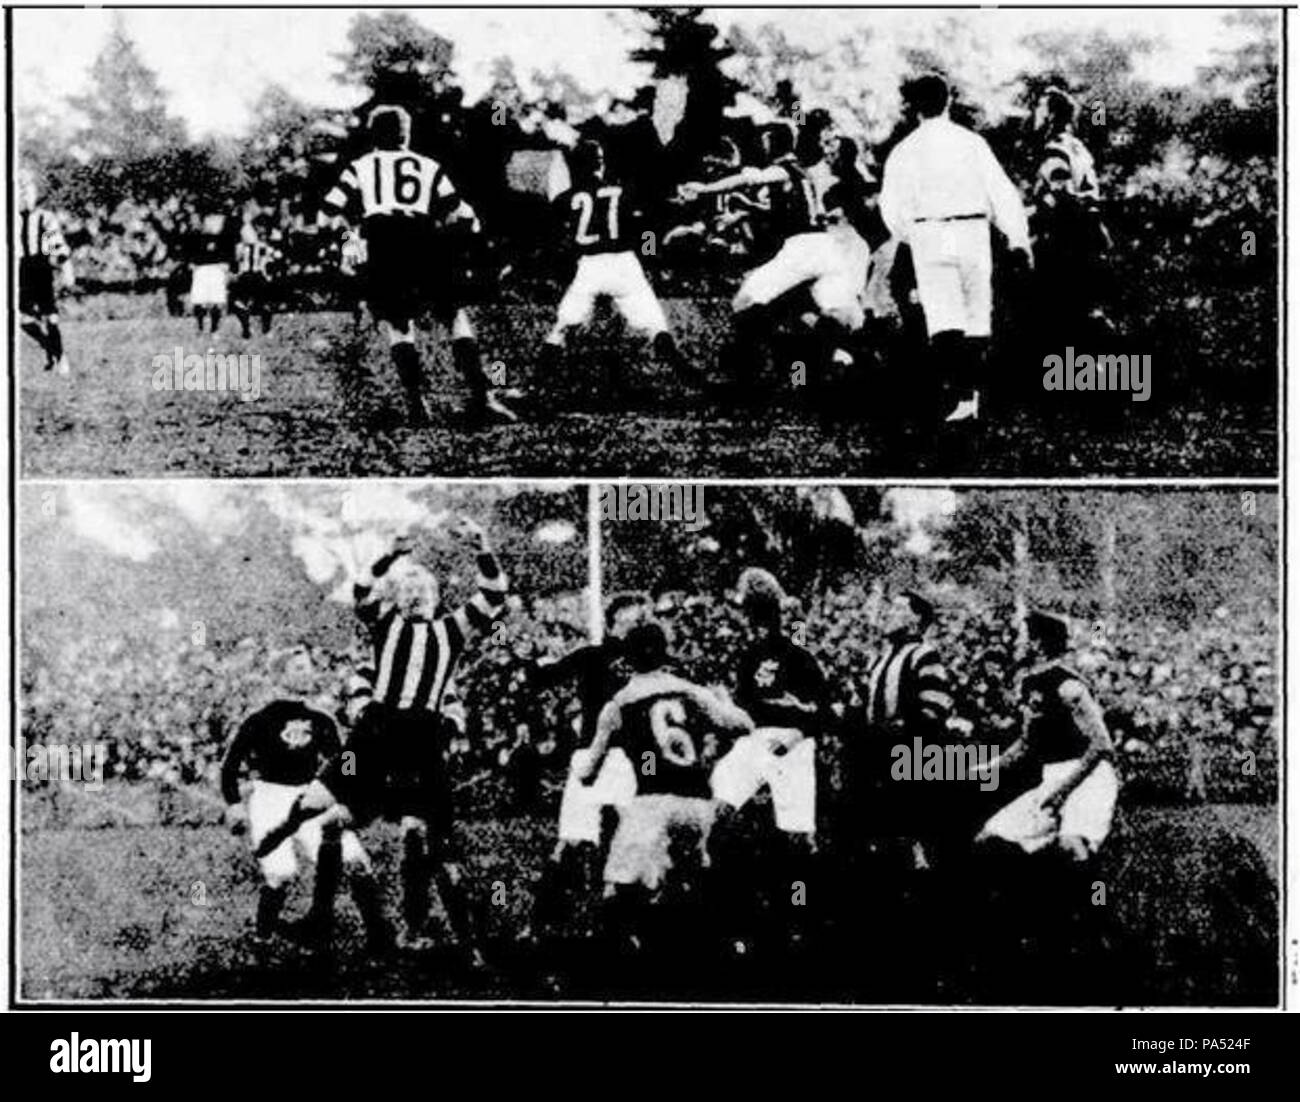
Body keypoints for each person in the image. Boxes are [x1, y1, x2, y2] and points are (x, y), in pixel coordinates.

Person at [320, 104, 517, 427]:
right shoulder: (428, 166)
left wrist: (351, 244)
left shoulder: (360, 166)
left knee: (399, 323)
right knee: (454, 315)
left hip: (382, 240)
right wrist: (473, 244)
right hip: (424, 238)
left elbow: (330, 211)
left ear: (374, 134)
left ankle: (417, 404)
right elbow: (461, 213)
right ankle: (482, 398)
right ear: (405, 133)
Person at [577, 622, 753, 960]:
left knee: (618, 886)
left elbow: (589, 770)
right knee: (692, 879)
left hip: (653, 802)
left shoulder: (619, 703)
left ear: (628, 660)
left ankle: (625, 967)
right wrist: (722, 706)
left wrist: (582, 771)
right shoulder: (690, 690)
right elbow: (743, 724)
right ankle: (720, 949)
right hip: (700, 803)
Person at [879, 73, 1033, 423]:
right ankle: (970, 396)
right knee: (977, 313)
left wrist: (910, 235)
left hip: (929, 233)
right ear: (948, 101)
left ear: (914, 107)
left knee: (944, 317)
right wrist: (1018, 238)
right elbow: (1002, 192)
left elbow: (891, 208)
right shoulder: (971, 143)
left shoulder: (904, 151)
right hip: (971, 229)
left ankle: (958, 395)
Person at [220, 646, 386, 951]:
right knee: (281, 872)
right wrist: (233, 803)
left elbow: (341, 762)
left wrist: (348, 790)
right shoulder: (259, 720)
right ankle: (263, 937)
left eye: (308, 667)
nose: (307, 673)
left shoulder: (321, 720)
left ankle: (379, 937)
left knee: (355, 860)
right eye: (298, 668)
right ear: (280, 676)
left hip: (310, 795)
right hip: (270, 797)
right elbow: (230, 766)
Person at [539, 139, 690, 391]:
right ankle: (688, 376)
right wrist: (650, 256)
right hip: (624, 263)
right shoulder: (623, 190)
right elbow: (645, 227)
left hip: (590, 264)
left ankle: (537, 385)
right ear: (601, 163)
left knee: (562, 327)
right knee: (655, 326)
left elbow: (555, 232)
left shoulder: (568, 197)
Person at [17, 171, 73, 375]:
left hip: (40, 269)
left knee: (51, 318)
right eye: (21, 192)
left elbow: (55, 246)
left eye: (28, 192)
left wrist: (66, 269)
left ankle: (60, 357)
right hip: (20, 270)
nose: (25, 197)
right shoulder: (10, 220)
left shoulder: (44, 219)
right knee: (22, 318)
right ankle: (50, 348)